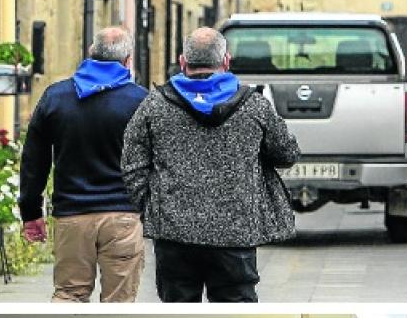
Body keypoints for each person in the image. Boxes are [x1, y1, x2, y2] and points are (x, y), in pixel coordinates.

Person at [122, 27, 298, 302]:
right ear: (226, 61)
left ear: (182, 62)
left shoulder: (154, 106)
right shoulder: (254, 106)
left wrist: (151, 206)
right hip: (236, 232)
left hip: (174, 233)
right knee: (233, 315)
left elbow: (132, 165)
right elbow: (287, 154)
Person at [18, 26, 148, 302]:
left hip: (72, 216)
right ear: (128, 61)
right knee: (120, 303)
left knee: (68, 295)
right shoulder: (140, 101)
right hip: (122, 215)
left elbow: (34, 159)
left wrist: (31, 212)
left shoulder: (55, 97)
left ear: (90, 53)